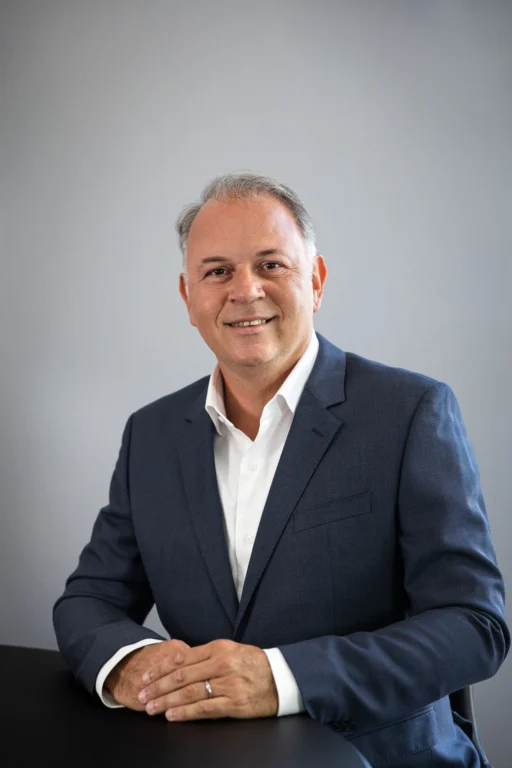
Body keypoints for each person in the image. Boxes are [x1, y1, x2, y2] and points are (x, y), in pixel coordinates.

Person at [53, 171, 509, 767]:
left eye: (270, 265)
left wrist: (281, 676)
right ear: (189, 297)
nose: (245, 290)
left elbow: (474, 625)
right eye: (218, 271)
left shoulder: (410, 412)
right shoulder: (152, 434)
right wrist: (134, 662)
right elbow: (89, 599)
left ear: (315, 281)